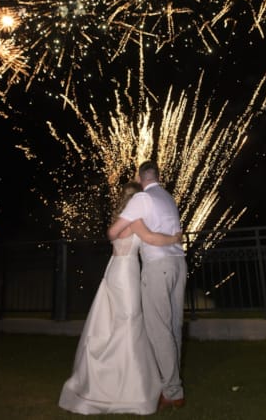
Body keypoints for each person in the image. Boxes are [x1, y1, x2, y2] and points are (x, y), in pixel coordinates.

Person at [58, 181, 181, 416]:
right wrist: (174, 238)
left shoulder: (120, 219)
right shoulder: (135, 220)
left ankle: (111, 376)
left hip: (115, 269)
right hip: (126, 274)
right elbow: (152, 238)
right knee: (130, 322)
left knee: (120, 322)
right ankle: (127, 386)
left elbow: (114, 234)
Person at [108, 161, 187, 410]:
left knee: (158, 329)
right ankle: (171, 385)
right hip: (179, 264)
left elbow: (116, 231)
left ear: (140, 178)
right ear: (159, 176)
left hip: (158, 267)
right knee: (174, 325)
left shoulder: (142, 199)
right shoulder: (168, 198)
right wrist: (173, 239)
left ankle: (173, 391)